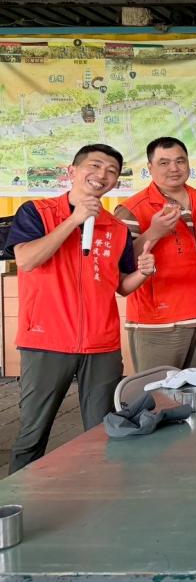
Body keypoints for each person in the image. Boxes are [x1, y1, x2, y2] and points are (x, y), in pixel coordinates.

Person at [6, 144, 156, 473]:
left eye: (112, 171)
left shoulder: (116, 228)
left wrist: (142, 274)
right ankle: (19, 499)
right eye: (95, 166)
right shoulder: (37, 212)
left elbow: (121, 286)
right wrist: (73, 219)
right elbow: (27, 259)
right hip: (46, 341)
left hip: (101, 345)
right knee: (32, 434)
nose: (103, 175)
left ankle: (100, 495)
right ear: (72, 171)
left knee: (104, 432)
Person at [116, 137, 196, 372]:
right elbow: (121, 264)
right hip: (159, 321)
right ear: (150, 168)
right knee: (157, 389)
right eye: (164, 163)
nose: (174, 168)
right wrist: (154, 232)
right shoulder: (132, 209)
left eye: (180, 161)